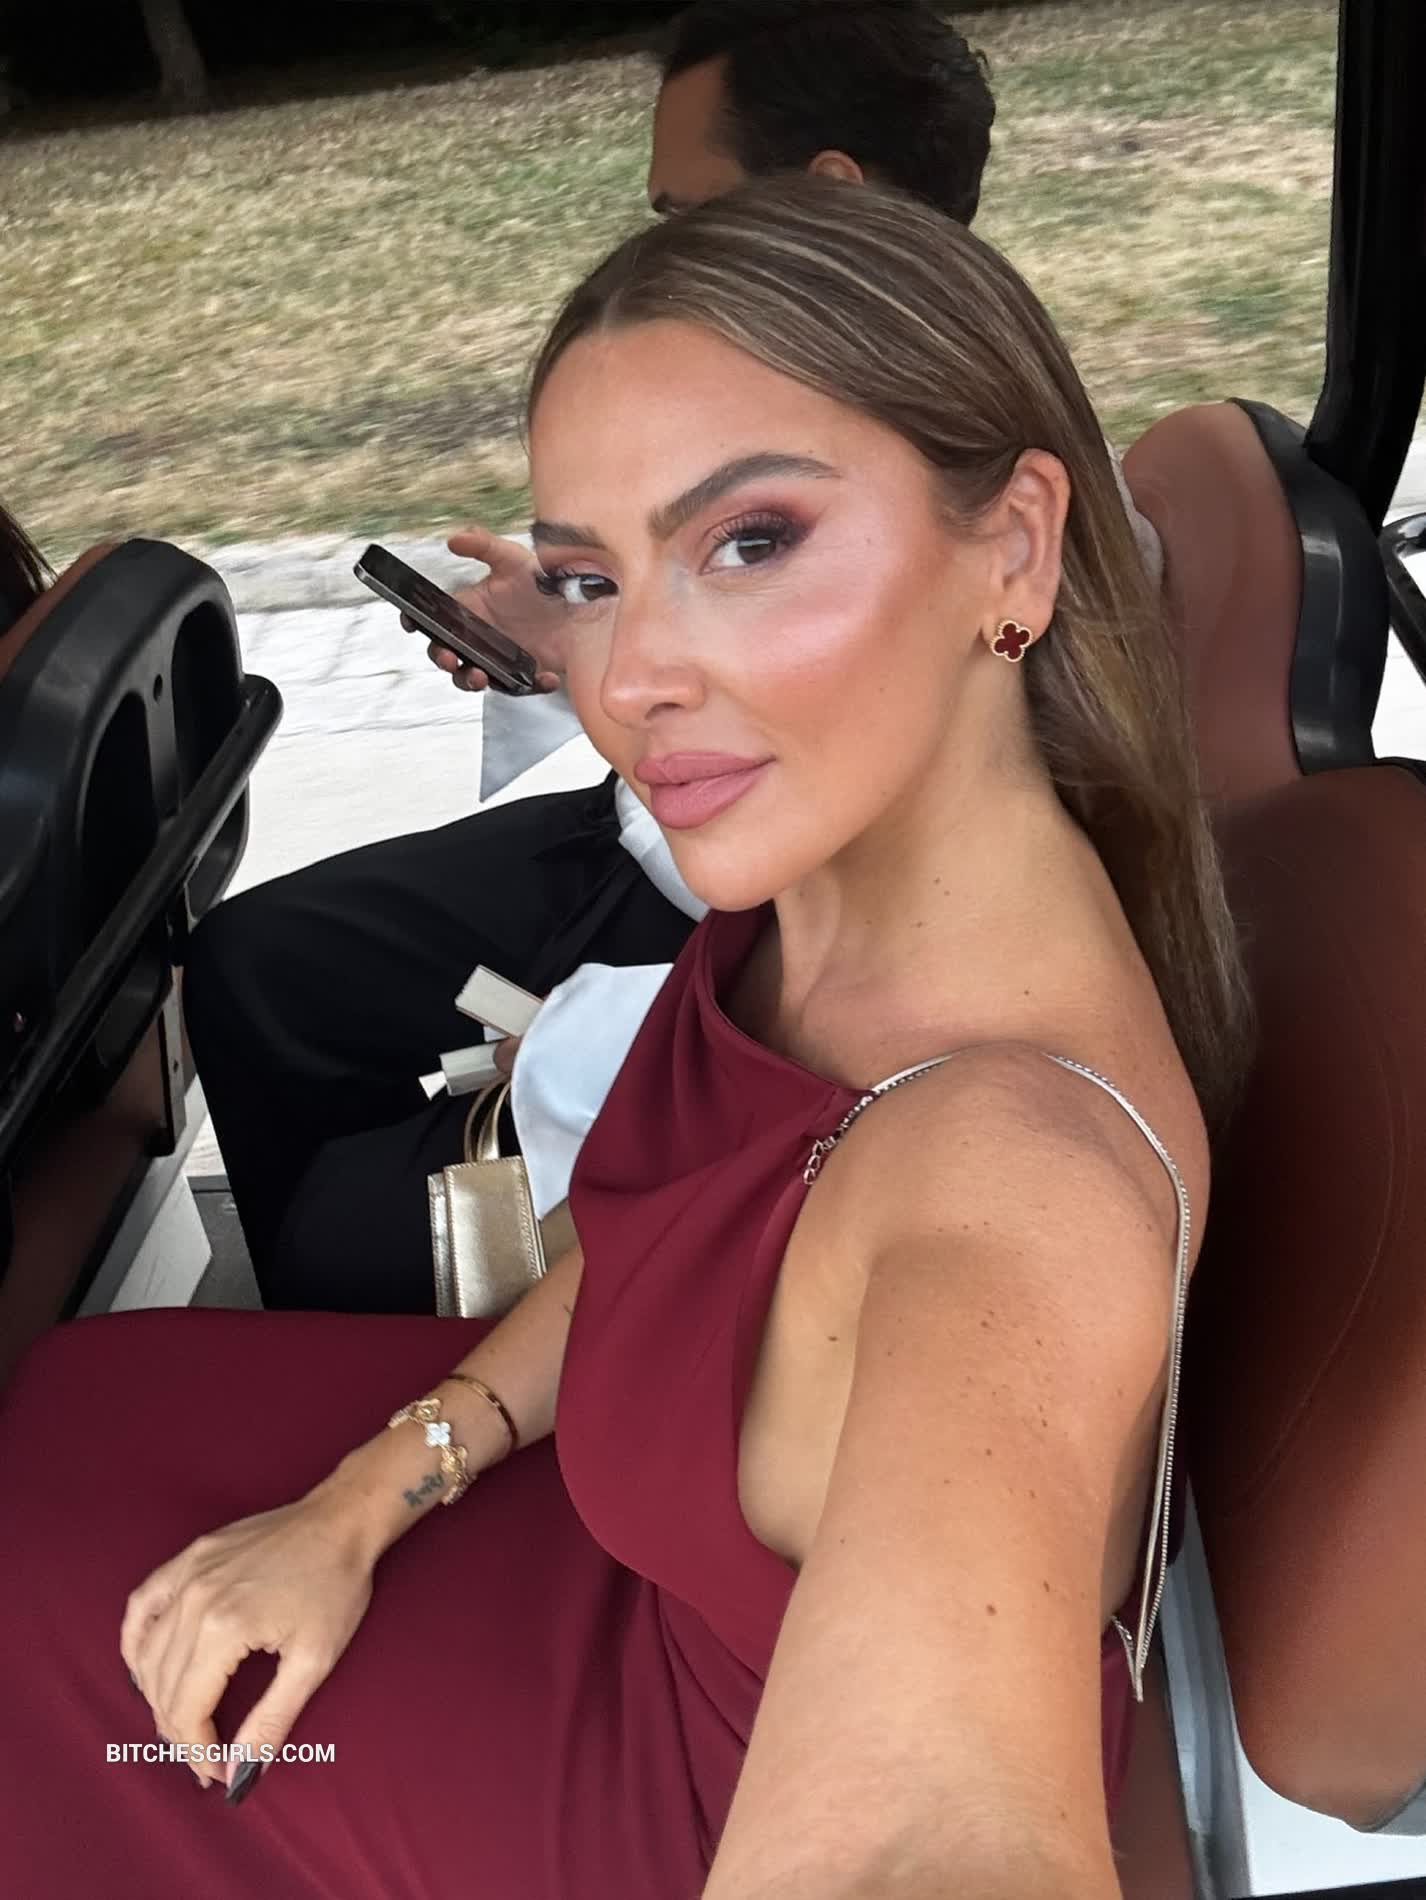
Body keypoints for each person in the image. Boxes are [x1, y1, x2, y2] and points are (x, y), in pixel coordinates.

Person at [0, 176, 1245, 1899]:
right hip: (616, 1543)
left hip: (678, 1792)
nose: (629, 677)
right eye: (589, 578)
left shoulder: (1006, 1185)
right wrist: (373, 1490)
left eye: (751, 541)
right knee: (70, 1408)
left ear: (1015, 550)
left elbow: (930, 1833)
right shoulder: (815, 892)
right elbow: (673, 1244)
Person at [182, 0, 1008, 1313]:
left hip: (726, 921)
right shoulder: (773, 414)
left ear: (828, 196)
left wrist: (583, 1039)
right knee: (253, 965)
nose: (654, 252)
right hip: (663, 850)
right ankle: (347, 1318)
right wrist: (568, 630)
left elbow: (878, 897)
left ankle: (373, 1315)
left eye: (684, 215)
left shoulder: (948, 480)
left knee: (339, 1207)